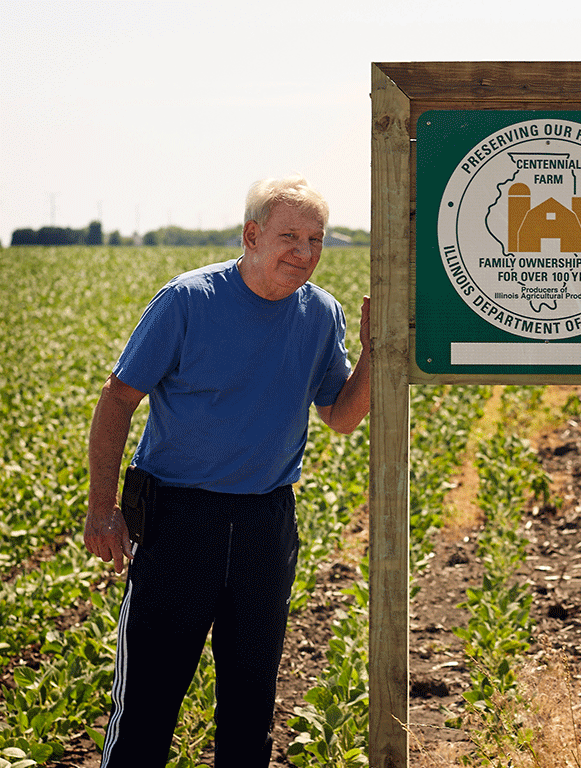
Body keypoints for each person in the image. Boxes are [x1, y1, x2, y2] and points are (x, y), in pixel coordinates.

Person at [83, 176, 371, 767]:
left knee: (249, 710)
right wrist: (101, 509)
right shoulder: (189, 301)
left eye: (315, 240)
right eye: (289, 236)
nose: (304, 253)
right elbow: (117, 401)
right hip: (177, 522)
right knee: (146, 709)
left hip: (267, 524)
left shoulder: (321, 314)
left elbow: (341, 417)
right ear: (251, 234)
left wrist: (375, 352)